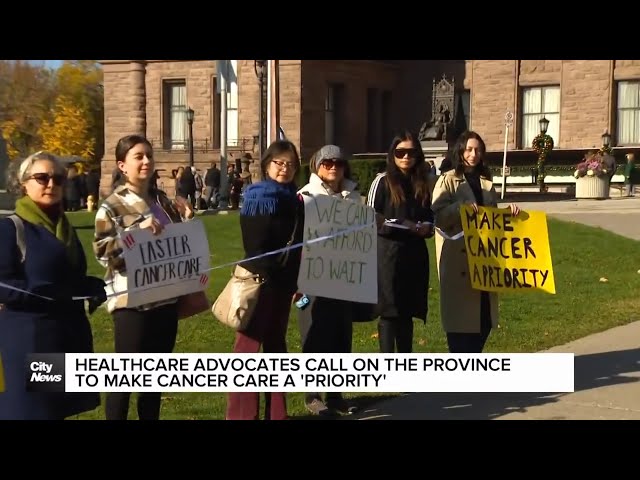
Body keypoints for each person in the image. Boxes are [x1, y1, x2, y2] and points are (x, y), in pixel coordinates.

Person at [93, 135, 195, 420]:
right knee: (124, 382)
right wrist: (136, 234)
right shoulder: (111, 206)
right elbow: (104, 254)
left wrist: (185, 218)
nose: (147, 161)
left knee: (152, 384)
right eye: (138, 156)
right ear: (122, 165)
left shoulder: (163, 201)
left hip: (165, 301)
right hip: (132, 305)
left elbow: (178, 246)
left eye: (149, 155)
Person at [0, 151, 105, 420]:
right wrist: (40, 294)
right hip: (28, 340)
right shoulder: (11, 228)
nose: (51, 184)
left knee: (56, 412)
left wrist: (89, 286)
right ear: (24, 183)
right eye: (42, 178)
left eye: (58, 178)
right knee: (31, 413)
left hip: (66, 338)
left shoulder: (65, 228)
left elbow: (67, 278)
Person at [226, 139, 304, 421]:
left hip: (284, 284)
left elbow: (300, 243)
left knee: (276, 348)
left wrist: (295, 284)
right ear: (266, 165)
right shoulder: (258, 195)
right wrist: (272, 270)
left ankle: (277, 414)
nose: (284, 169)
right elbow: (254, 243)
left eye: (290, 164)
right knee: (247, 348)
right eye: (279, 163)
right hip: (259, 281)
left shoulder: (295, 200)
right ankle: (241, 416)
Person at [431, 130, 520, 353]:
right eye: (469, 149)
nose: (473, 154)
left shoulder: (487, 183)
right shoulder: (448, 180)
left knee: (483, 319)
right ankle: (460, 369)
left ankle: (472, 362)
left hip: (484, 258)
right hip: (458, 259)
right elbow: (438, 215)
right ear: (460, 151)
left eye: (478, 150)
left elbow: (492, 219)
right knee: (459, 320)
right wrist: (459, 210)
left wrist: (509, 213)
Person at [297, 144, 360, 417]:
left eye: (338, 162)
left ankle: (336, 394)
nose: (333, 167)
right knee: (313, 335)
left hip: (344, 278)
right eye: (327, 163)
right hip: (312, 278)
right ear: (317, 166)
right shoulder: (305, 197)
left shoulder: (354, 197)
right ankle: (313, 395)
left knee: (341, 336)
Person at [366, 130, 435, 353]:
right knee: (389, 312)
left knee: (406, 312)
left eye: (411, 152)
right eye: (400, 152)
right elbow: (370, 216)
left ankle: (405, 366)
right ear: (392, 154)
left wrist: (426, 227)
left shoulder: (423, 183)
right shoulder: (382, 181)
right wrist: (401, 224)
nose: (406, 157)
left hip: (414, 254)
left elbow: (431, 217)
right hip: (387, 254)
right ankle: (387, 367)